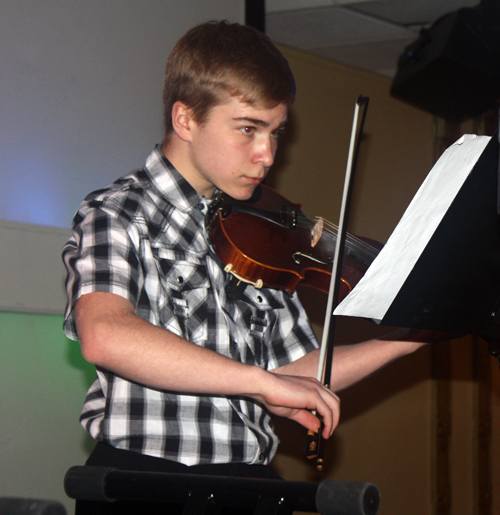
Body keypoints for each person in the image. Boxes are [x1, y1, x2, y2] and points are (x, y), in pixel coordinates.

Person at [62, 20, 428, 513]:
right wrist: (259, 382)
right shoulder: (117, 213)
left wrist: (402, 341)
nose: (268, 154)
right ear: (186, 119)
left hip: (247, 482)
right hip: (149, 482)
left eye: (276, 132)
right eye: (248, 129)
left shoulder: (263, 230)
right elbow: (107, 333)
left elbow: (294, 371)